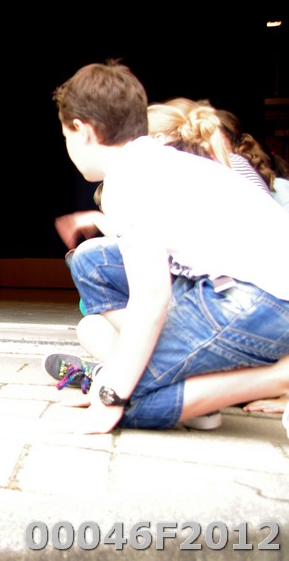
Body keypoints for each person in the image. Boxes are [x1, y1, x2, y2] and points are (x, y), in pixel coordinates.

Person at [48, 60, 289, 437]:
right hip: (253, 290)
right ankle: (173, 372)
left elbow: (152, 299)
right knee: (92, 260)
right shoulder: (156, 159)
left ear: (84, 130)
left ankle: (276, 377)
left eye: (66, 136)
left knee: (129, 400)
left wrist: (111, 395)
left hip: (261, 300)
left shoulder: (127, 181)